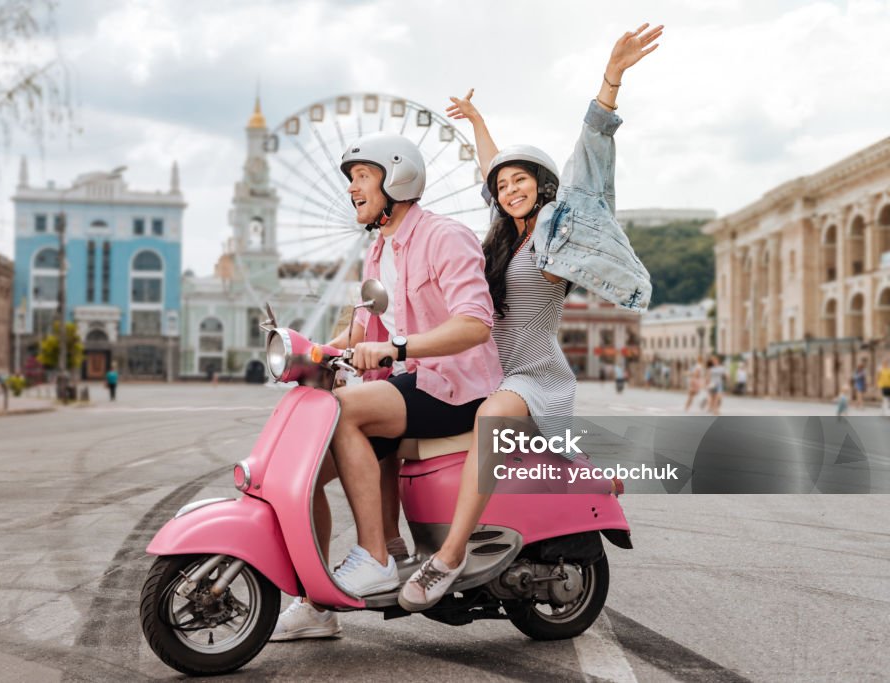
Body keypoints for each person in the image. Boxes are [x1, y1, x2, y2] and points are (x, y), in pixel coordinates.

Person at [396, 23, 661, 612]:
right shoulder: (499, 235)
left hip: (531, 371)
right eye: (505, 185)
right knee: (407, 433)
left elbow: (590, 158)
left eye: (523, 181)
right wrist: (477, 123)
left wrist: (610, 80)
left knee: (494, 420)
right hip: (485, 364)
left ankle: (449, 558)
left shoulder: (555, 235)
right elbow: (492, 169)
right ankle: (397, 548)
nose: (511, 189)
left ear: (543, 188)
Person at [270, 131, 503, 640]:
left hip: (455, 388)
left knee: (346, 410)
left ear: (397, 178)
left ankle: (375, 555)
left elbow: (475, 323)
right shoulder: (378, 253)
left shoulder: (445, 237)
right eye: (351, 178)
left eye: (362, 176)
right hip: (403, 390)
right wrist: (309, 354)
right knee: (301, 469)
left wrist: (399, 350)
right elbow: (360, 332)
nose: (353, 188)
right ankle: (315, 602)